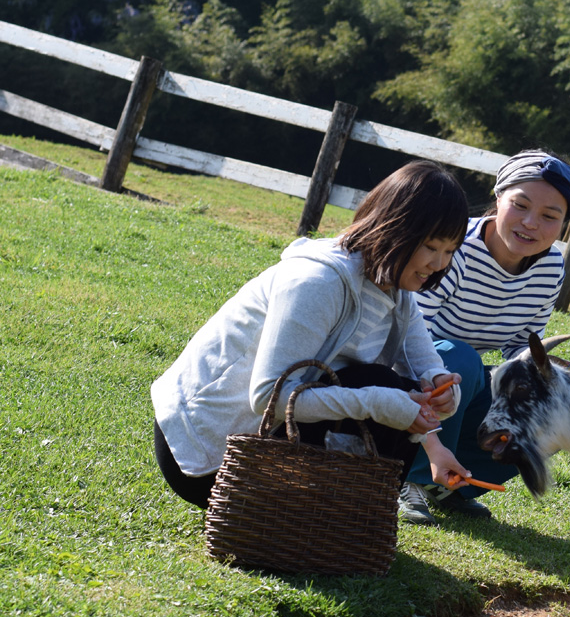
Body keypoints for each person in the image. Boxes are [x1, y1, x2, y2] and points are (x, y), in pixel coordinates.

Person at [150, 160, 479, 508]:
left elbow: (425, 371)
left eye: (450, 250)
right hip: (209, 454)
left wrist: (443, 393)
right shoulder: (317, 283)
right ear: (396, 228)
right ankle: (331, 518)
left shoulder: (396, 291)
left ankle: (352, 521)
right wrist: (377, 403)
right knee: (380, 385)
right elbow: (266, 397)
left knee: (393, 388)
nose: (439, 263)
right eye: (431, 246)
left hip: (264, 439)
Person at [402, 149, 570, 524]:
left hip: (458, 387)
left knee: (552, 406)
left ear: (565, 223)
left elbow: (521, 344)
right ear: (498, 197)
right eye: (520, 205)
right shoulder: (455, 249)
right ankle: (413, 479)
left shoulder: (550, 267)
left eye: (550, 216)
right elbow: (408, 333)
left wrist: (549, 377)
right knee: (460, 359)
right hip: (409, 374)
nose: (531, 223)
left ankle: (455, 485)